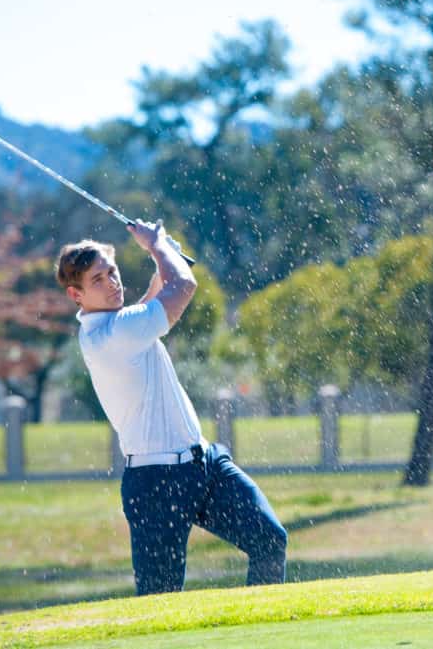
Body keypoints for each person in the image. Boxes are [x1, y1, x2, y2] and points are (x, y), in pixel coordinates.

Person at [54, 219, 287, 595]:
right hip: (155, 484)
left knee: (269, 540)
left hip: (204, 465)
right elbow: (184, 287)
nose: (112, 282)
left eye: (112, 273)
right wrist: (158, 247)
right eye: (97, 279)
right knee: (159, 600)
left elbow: (155, 300)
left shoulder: (122, 325)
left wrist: (168, 258)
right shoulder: (111, 334)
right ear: (75, 295)